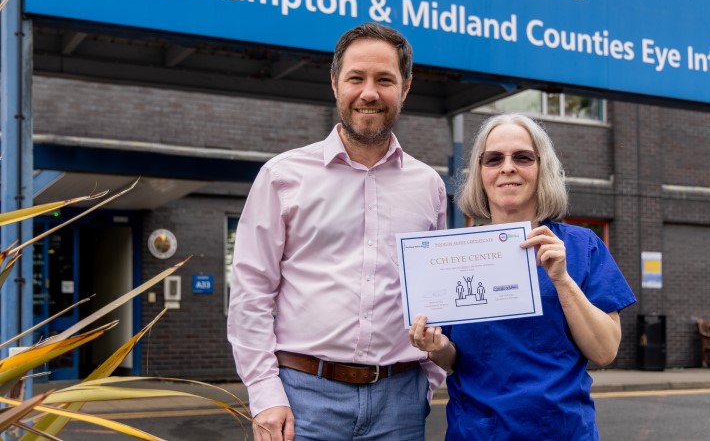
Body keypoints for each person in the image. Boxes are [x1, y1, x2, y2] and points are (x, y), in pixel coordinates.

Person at [228, 22, 447, 441]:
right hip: (303, 399)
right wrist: (264, 393)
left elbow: (434, 295)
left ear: (405, 87)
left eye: (385, 79)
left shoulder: (429, 186)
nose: (370, 93)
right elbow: (251, 292)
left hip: (400, 402)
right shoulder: (282, 176)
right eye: (356, 78)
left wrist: (426, 385)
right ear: (334, 84)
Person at [409, 113, 636, 440]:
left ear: (542, 167)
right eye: (494, 159)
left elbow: (604, 351)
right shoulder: (455, 254)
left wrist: (562, 281)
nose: (507, 168)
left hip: (560, 430)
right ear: (481, 172)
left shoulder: (581, 247)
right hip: (476, 431)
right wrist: (436, 346)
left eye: (522, 157)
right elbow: (455, 359)